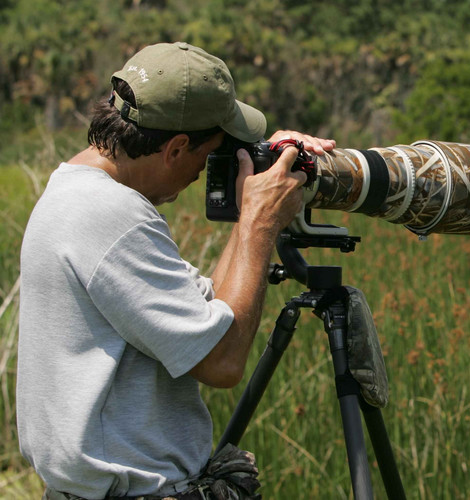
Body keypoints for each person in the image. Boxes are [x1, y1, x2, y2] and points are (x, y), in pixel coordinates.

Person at [16, 41, 335, 499]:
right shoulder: (112, 215)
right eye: (210, 155)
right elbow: (222, 361)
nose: (203, 172)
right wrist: (260, 224)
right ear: (177, 147)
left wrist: (253, 203)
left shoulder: (74, 191)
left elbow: (211, 313)